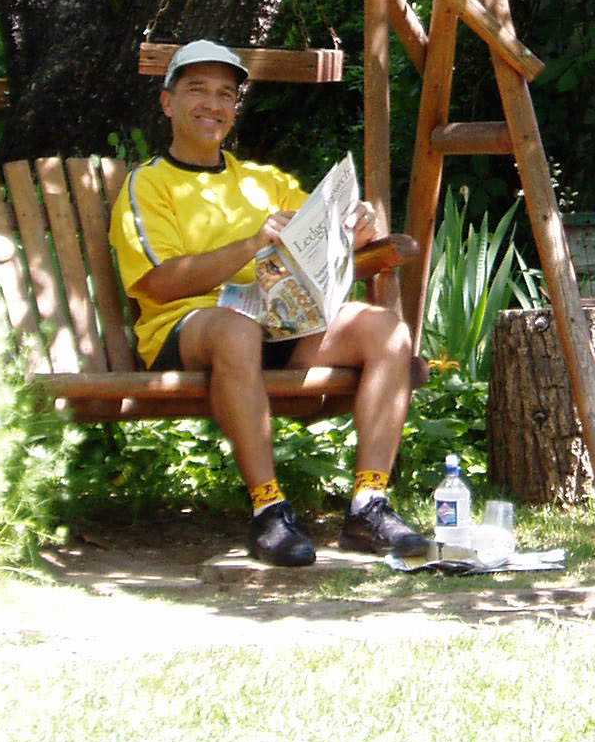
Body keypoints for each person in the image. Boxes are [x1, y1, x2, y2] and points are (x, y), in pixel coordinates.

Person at [109, 40, 427, 565]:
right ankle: (269, 510)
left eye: (225, 94)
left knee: (386, 330)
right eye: (197, 90)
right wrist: (251, 244)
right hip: (190, 331)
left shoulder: (267, 181)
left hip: (279, 324)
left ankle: (369, 507)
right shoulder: (148, 185)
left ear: (235, 108)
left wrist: (358, 227)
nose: (212, 104)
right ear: (167, 102)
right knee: (236, 326)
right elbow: (160, 284)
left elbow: (326, 238)